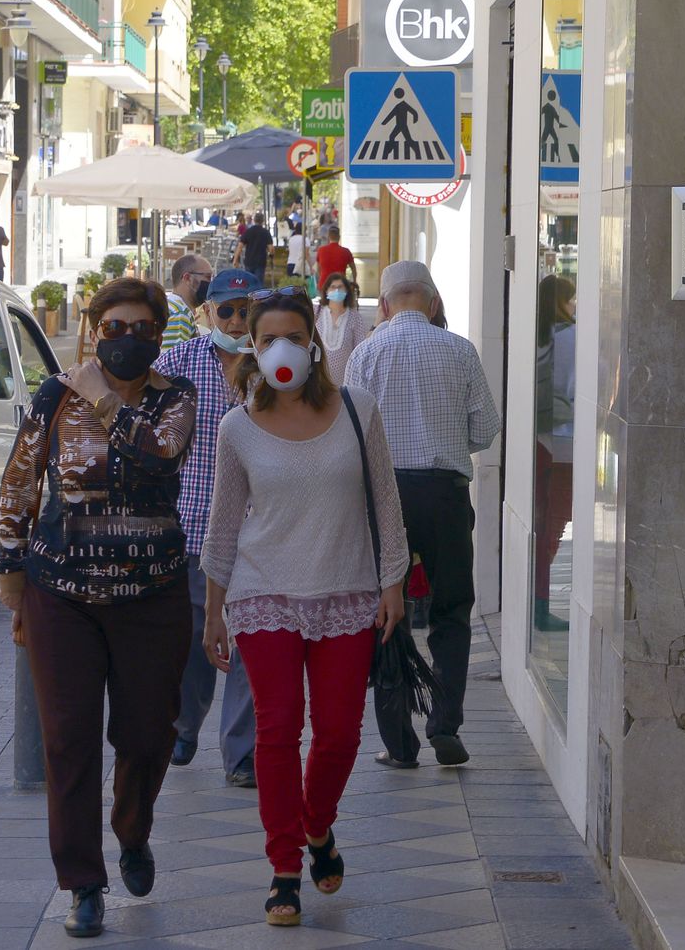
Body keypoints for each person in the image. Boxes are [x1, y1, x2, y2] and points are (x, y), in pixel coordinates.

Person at [0, 278, 197, 939]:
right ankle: (83, 881)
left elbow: (156, 456)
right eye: (113, 328)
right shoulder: (55, 396)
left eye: (142, 328)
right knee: (68, 741)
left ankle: (132, 831)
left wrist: (103, 397)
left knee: (148, 734)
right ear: (93, 331)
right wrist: (12, 571)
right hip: (63, 594)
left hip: (152, 593)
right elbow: (21, 478)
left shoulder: (177, 399)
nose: (127, 339)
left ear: (159, 334)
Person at [202, 287, 407, 927]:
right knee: (277, 726)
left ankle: (318, 828)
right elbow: (224, 523)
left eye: (293, 335)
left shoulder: (357, 409)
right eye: (267, 340)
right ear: (252, 348)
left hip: (347, 590)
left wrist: (393, 582)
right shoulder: (236, 426)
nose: (280, 348)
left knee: (342, 731)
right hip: (263, 594)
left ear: (313, 342)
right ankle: (284, 868)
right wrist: (213, 610)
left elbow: (386, 500)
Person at [345, 260, 499, 769]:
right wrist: (449, 443)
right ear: (433, 303)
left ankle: (398, 742)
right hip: (446, 494)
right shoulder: (460, 350)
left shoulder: (365, 355)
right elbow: (485, 429)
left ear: (384, 305)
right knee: (452, 611)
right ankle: (445, 725)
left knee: (385, 614)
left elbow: (352, 438)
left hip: (386, 494)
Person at [154, 268, 261, 788]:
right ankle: (184, 724)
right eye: (228, 311)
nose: (238, 321)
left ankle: (242, 754)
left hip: (262, 531)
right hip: (194, 527)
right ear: (208, 312)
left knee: (252, 641)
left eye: (246, 311)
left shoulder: (275, 367)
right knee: (198, 634)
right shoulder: (179, 361)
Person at [533, 275, 576, 633]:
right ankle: (541, 606)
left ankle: (538, 600)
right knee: (556, 525)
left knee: (545, 524)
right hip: (568, 444)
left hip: (541, 443)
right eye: (572, 298)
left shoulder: (538, 337)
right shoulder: (573, 338)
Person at [315, 273, 370, 384]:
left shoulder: (355, 317)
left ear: (346, 291)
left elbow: (360, 348)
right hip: (319, 380)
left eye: (340, 287)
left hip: (345, 382)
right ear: (326, 291)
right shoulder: (316, 312)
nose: (337, 290)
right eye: (333, 287)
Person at [163, 254, 213, 350]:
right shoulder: (180, 314)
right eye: (208, 277)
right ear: (187, 278)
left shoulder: (173, 307)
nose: (211, 283)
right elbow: (173, 362)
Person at [234, 212, 275, 282]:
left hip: (249, 261)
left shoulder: (248, 231)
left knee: (249, 283)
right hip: (260, 262)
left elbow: (240, 247)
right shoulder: (266, 232)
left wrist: (235, 260)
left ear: (254, 220)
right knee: (258, 284)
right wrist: (271, 255)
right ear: (263, 221)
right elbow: (271, 249)